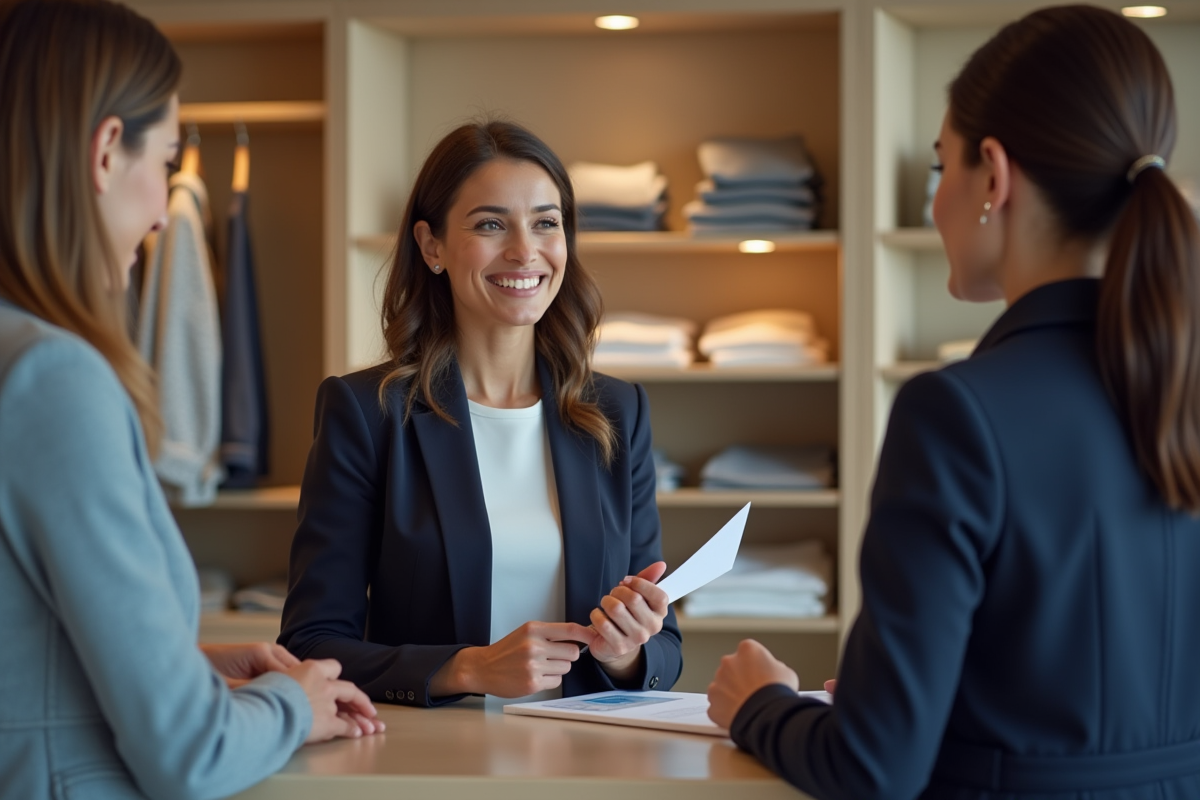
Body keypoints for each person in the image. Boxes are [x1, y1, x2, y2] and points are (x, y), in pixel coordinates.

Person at [706, 5, 1200, 799]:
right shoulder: (1179, 388)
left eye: (944, 168)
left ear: (994, 177)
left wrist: (758, 704)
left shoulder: (958, 415)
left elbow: (872, 768)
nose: (937, 203)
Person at [0, 2, 381, 798]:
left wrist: (189, 667)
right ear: (108, 151)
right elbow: (189, 756)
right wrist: (289, 703)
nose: (160, 209)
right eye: (168, 162)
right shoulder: (51, 380)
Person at [279, 120, 682, 706]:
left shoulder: (617, 413)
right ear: (431, 246)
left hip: (587, 755)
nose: (525, 250)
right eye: (491, 224)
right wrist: (465, 669)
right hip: (436, 761)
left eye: (546, 223)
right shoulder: (368, 414)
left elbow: (664, 648)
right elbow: (311, 644)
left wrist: (626, 653)